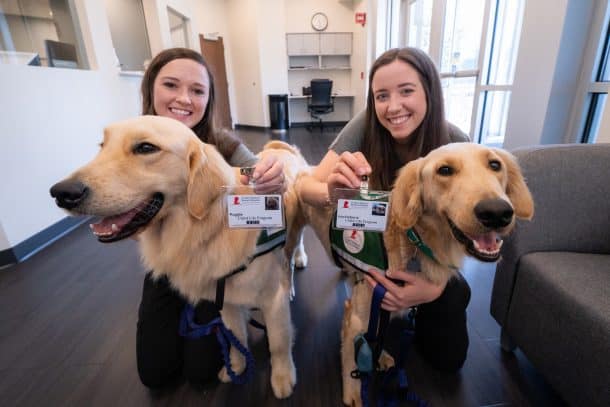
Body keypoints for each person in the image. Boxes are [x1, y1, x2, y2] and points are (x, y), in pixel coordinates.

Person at [299, 47, 471, 371]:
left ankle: (419, 305)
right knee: (373, 322)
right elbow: (306, 186)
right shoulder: (366, 124)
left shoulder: (455, 144)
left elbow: (467, 230)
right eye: (381, 96)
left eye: (406, 91)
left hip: (432, 259)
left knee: (447, 360)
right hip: (382, 248)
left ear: (429, 93)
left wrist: (433, 290)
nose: (393, 107)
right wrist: (332, 192)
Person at [136, 47, 285, 389]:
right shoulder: (134, 142)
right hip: (167, 265)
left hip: (214, 264)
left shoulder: (223, 145)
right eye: (171, 85)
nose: (184, 99)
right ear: (151, 89)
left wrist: (271, 175)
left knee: (202, 371)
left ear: (208, 99)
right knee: (155, 374)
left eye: (197, 91)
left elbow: (262, 178)